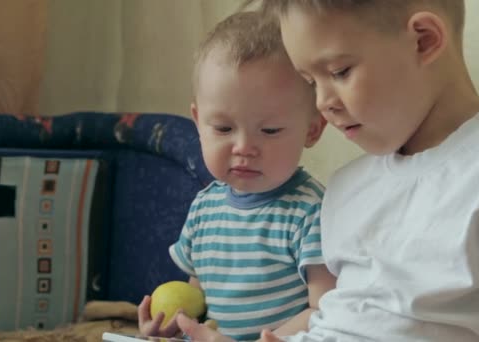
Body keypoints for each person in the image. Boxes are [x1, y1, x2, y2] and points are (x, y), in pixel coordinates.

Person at [177, 0, 479, 341]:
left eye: (339, 72)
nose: (322, 103)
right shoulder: (346, 186)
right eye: (310, 82)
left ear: (423, 40)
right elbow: (340, 316)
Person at [137, 10, 336, 342]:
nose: (244, 147)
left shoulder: (311, 211)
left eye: (270, 130)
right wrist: (171, 329)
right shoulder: (204, 209)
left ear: (312, 130)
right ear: (198, 123)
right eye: (224, 128)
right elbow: (198, 305)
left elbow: (326, 309)